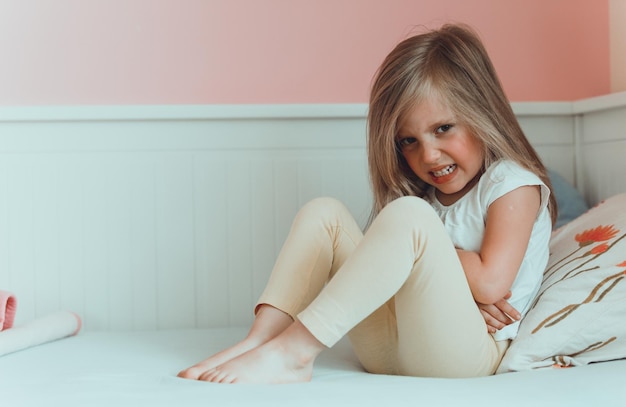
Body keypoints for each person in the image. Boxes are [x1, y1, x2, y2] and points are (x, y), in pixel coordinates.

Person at [177, 23, 556, 384]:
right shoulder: (425, 197)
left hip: (468, 355)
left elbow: (490, 285)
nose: (429, 155)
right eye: (408, 141)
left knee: (410, 216)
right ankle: (262, 340)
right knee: (325, 214)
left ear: (482, 113)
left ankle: (295, 353)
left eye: (443, 128)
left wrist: (430, 249)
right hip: (391, 349)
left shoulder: (512, 183)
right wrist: (422, 259)